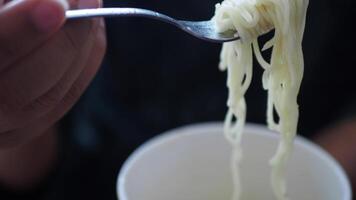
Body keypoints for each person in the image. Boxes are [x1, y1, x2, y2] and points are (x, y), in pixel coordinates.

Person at [0, 0, 355, 199]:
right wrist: (14, 105)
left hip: (321, 143)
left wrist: (317, 178)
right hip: (88, 171)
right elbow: (27, 166)